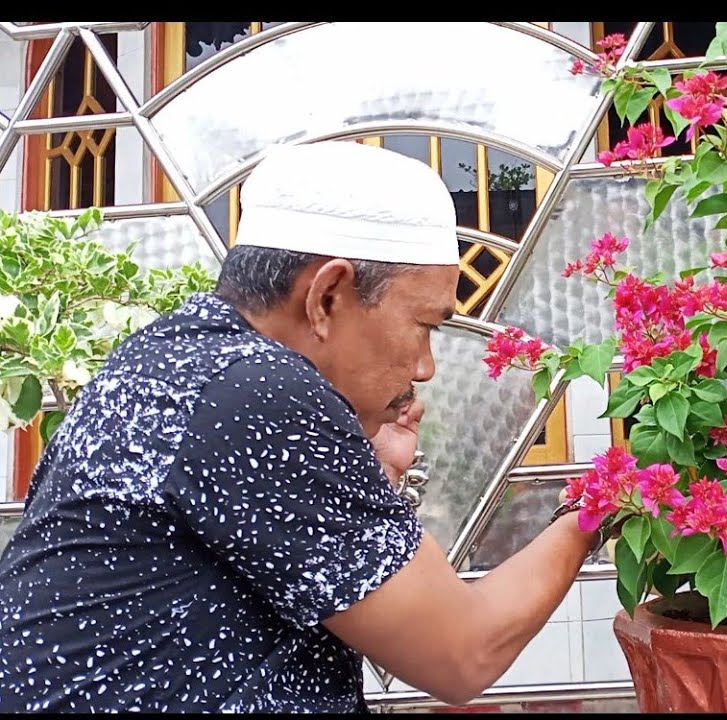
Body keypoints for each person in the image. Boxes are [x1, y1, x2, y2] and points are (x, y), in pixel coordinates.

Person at [0, 141, 603, 712]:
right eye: (426, 324)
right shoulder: (257, 393)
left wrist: (370, 474)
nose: (426, 366)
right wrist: (600, 505)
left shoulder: (169, 357)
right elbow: (462, 654)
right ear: (327, 296)